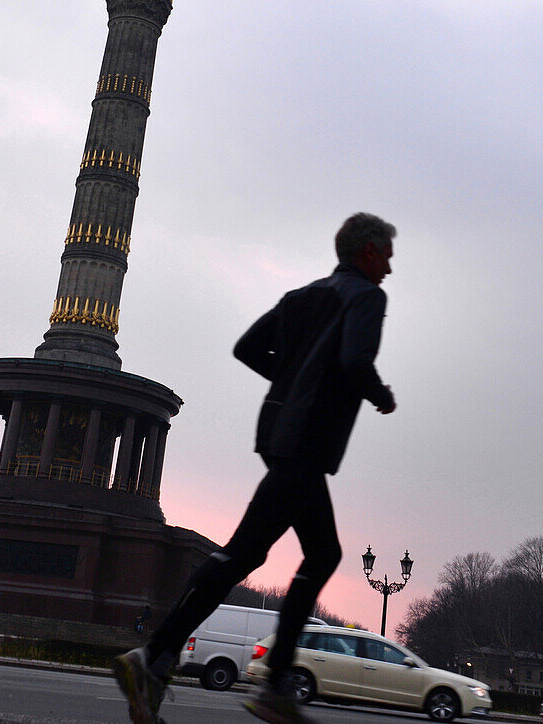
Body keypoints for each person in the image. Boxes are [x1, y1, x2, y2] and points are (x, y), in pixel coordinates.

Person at [113, 213, 398, 724]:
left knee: (258, 553)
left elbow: (247, 348)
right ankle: (256, 682)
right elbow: (356, 361)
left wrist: (289, 381)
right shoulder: (366, 298)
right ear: (369, 251)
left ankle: (159, 659)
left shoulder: (300, 296)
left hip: (278, 436)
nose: (391, 269)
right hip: (308, 442)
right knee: (288, 553)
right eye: (388, 255)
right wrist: (381, 396)